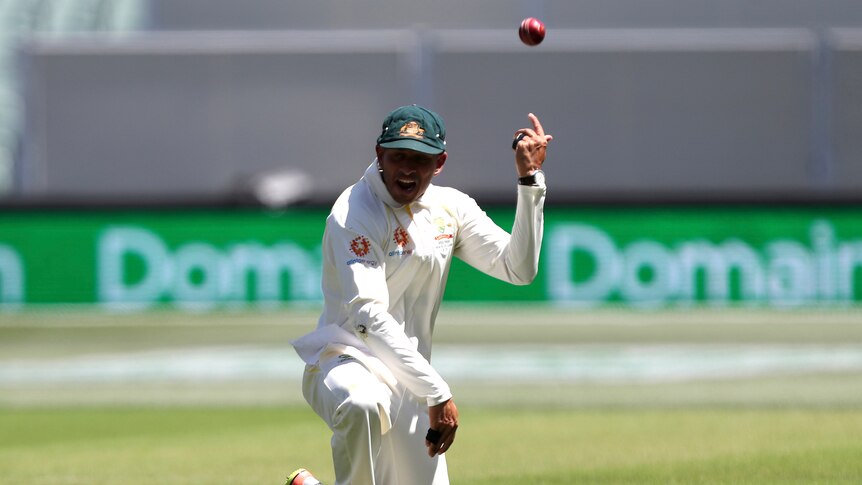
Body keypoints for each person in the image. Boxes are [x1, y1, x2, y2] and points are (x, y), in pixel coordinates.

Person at [289, 104, 551, 485]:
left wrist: (530, 182)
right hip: (345, 361)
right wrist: (437, 390)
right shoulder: (354, 211)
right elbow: (366, 317)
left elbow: (518, 267)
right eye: (398, 156)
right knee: (363, 402)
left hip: (410, 377)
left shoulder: (450, 208)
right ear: (379, 154)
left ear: (440, 161)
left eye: (420, 159)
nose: (407, 169)